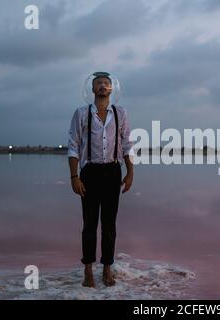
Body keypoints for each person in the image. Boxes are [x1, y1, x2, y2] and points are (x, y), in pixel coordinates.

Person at [67, 72, 134, 287]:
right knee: (89, 224)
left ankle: (107, 268)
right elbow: (73, 145)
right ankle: (87, 269)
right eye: (99, 84)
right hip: (90, 173)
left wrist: (130, 172)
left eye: (106, 83)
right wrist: (74, 176)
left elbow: (126, 144)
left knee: (109, 225)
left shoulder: (120, 113)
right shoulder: (81, 113)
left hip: (113, 172)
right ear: (93, 89)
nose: (103, 86)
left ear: (112, 89)